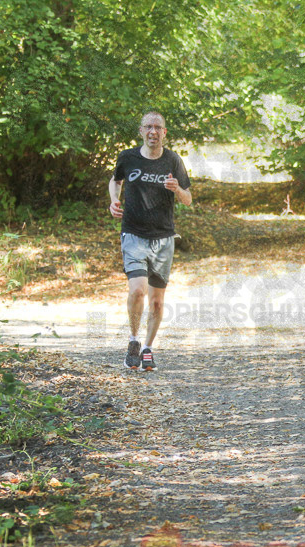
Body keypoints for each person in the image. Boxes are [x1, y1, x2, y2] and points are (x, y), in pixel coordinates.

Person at [109, 111, 192, 371]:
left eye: (158, 127)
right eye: (148, 127)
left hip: (163, 238)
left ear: (165, 132)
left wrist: (176, 189)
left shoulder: (173, 160)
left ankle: (147, 348)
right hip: (133, 233)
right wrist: (114, 200)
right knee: (137, 290)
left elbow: (188, 198)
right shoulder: (128, 157)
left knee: (156, 301)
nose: (153, 131)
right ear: (141, 131)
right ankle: (133, 340)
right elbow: (116, 180)